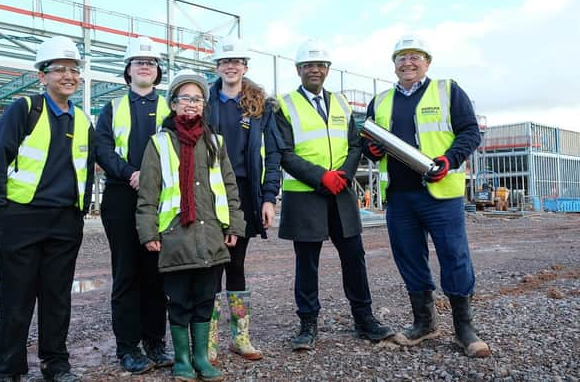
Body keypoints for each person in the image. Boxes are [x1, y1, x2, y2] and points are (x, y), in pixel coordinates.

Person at [361, 35, 490, 358]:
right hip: (401, 196)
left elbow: (470, 132)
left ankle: (464, 327)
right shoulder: (381, 100)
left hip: (441, 194)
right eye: (401, 58)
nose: (408, 63)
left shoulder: (447, 91)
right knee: (408, 257)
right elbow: (370, 144)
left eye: (415, 57)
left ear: (427, 62)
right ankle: (424, 321)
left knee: (454, 256)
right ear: (394, 65)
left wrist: (450, 160)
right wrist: (372, 150)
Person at [0, 35, 95, 382]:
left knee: (57, 298)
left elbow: (87, 169)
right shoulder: (25, 108)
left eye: (74, 69)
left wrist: (79, 211)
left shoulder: (82, 120)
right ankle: (8, 369)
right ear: (42, 76)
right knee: (16, 300)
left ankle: (56, 364)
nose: (68, 75)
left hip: (65, 220)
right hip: (21, 218)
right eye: (59, 69)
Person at [274, 38, 394, 351]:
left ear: (328, 69)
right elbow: (284, 152)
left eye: (321, 65)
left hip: (340, 192)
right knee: (307, 263)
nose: (315, 70)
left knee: (354, 256)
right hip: (305, 194)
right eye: (309, 65)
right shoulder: (284, 105)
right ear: (299, 69)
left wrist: (343, 175)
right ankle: (307, 325)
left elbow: (356, 144)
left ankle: (364, 318)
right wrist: (320, 177)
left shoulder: (340, 102)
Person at [136, 70, 246, 381]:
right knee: (179, 301)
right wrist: (148, 232)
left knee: (205, 299)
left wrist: (234, 225)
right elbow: (148, 193)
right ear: (172, 104)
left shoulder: (215, 142)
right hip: (175, 237)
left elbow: (228, 186)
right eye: (185, 98)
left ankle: (201, 356)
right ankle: (182, 359)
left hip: (211, 235)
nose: (191, 104)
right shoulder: (158, 144)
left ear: (203, 105)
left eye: (197, 99)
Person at [95, 36, 173, 374]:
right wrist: (131, 173)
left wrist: (154, 177)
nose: (145, 65)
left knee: (156, 273)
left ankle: (155, 341)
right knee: (126, 273)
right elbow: (103, 148)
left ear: (158, 72)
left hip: (163, 197)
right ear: (127, 70)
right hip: (122, 196)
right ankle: (128, 346)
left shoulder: (172, 106)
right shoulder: (112, 108)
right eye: (138, 61)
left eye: (151, 62)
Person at [206, 35, 282, 364]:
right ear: (217, 66)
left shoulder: (260, 106)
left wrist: (269, 198)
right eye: (225, 61)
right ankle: (207, 341)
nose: (230, 66)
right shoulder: (204, 101)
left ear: (245, 66)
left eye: (236, 61)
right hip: (207, 191)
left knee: (235, 265)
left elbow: (274, 154)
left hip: (244, 193)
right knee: (208, 265)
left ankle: (240, 336)